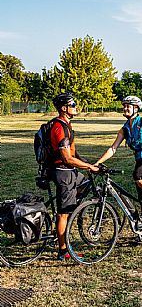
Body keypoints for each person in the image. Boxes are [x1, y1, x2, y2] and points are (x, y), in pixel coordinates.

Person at [95, 95, 142, 216]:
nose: (125, 109)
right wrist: (98, 162)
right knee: (141, 199)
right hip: (140, 161)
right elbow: (113, 148)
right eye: (124, 106)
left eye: (128, 106)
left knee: (138, 175)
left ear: (136, 108)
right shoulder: (125, 129)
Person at [50, 92, 99, 260]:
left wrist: (91, 164)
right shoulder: (59, 127)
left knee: (86, 185)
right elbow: (67, 158)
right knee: (64, 213)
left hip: (71, 172)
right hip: (63, 173)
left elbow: (74, 153)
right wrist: (87, 166)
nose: (76, 107)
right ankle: (63, 250)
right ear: (64, 108)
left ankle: (71, 214)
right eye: (73, 105)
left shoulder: (67, 125)